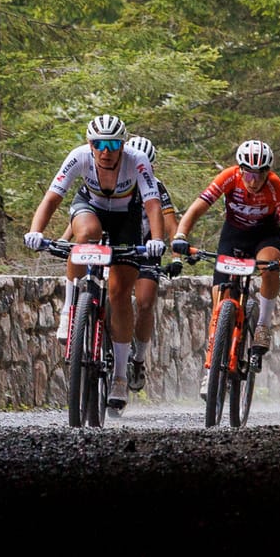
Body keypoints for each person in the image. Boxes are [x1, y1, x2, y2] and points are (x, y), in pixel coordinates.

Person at [23, 113, 167, 413]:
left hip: (126, 218)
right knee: (87, 234)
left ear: (122, 145)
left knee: (119, 294)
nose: (106, 150)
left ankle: (118, 378)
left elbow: (153, 203)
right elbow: (52, 198)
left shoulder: (137, 159)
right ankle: (70, 308)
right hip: (90, 208)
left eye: (113, 144)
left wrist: (156, 239)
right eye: (99, 143)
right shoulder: (78, 157)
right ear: (90, 144)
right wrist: (35, 232)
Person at [170, 138, 280, 396]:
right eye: (248, 173)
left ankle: (262, 324)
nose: (253, 181)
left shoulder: (274, 185)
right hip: (233, 235)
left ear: (267, 172)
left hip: (265, 235)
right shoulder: (229, 177)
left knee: (268, 264)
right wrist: (181, 236)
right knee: (220, 299)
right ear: (241, 169)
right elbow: (197, 208)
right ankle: (211, 371)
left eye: (259, 174)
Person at [120, 133, 179, 395]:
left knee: (144, 302)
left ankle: (138, 359)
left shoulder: (157, 186)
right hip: (119, 245)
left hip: (146, 248)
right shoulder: (114, 180)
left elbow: (170, 223)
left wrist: (176, 255)